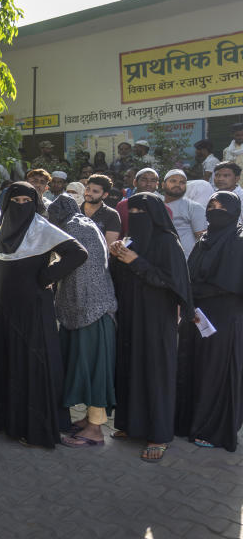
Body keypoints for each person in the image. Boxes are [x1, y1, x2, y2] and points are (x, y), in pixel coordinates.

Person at [0, 182, 87, 448]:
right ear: (7, 203)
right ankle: (7, 422)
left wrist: (47, 276)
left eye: (28, 200)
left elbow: (77, 253)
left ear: (36, 203)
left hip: (33, 311)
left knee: (32, 364)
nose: (22, 206)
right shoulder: (3, 228)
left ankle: (34, 427)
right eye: (16, 201)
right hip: (4, 313)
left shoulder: (41, 227)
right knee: (7, 361)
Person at [109, 192, 193, 463]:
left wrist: (136, 261)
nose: (135, 218)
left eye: (141, 213)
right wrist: (116, 255)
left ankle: (159, 434)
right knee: (131, 366)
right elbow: (121, 275)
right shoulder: (132, 239)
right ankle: (132, 425)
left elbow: (174, 283)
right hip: (131, 315)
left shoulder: (167, 242)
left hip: (157, 318)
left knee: (155, 371)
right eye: (131, 213)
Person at [45, 196, 118, 448]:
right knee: (88, 367)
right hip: (90, 308)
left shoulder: (70, 228)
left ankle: (95, 430)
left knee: (94, 371)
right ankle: (90, 419)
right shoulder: (84, 223)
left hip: (90, 310)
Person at [176, 191, 243, 452]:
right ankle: (189, 422)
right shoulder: (205, 238)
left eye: (221, 207)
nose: (215, 211)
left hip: (224, 317)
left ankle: (213, 429)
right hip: (197, 314)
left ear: (234, 211)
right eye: (211, 206)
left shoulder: (238, 241)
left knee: (216, 370)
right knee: (192, 364)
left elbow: (232, 282)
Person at [161, 170, 206, 259]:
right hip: (160, 260)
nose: (177, 185)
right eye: (173, 181)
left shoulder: (194, 207)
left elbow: (202, 239)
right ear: (163, 185)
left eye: (182, 182)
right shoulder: (157, 205)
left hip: (185, 262)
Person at [115, 168, 164, 235]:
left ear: (157, 184)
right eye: (144, 180)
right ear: (135, 182)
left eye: (153, 181)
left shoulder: (163, 204)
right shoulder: (122, 205)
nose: (148, 184)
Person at [82, 175, 122, 245]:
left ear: (104, 195)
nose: (89, 193)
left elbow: (108, 246)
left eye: (95, 191)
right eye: (88, 189)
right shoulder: (74, 209)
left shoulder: (112, 215)